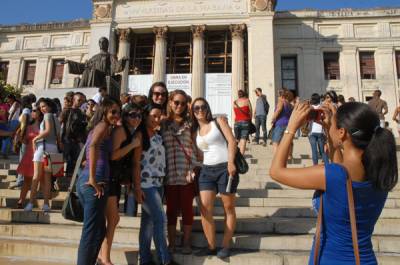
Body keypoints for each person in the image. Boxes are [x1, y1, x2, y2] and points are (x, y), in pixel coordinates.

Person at [270, 101, 398, 265]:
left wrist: (291, 127)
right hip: (364, 259)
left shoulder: (332, 175)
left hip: (332, 259)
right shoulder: (380, 172)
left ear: (343, 133)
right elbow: (341, 169)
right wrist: (332, 130)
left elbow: (276, 172)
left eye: (335, 126)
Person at [191, 98, 238, 259]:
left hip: (225, 167)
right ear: (193, 111)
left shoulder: (218, 122)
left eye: (203, 107)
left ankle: (225, 245)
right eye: (196, 108)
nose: (200, 110)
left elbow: (232, 141)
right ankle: (211, 245)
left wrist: (231, 162)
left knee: (228, 208)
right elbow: (199, 154)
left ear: (208, 108)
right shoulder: (194, 131)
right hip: (206, 170)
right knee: (204, 208)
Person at [134, 103, 179, 265]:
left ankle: (144, 259)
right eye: (153, 115)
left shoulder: (158, 135)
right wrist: (137, 187)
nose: (157, 118)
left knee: (147, 223)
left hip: (159, 184)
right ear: (146, 116)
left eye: (159, 116)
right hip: (146, 185)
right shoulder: (139, 135)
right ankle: (164, 259)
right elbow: (135, 164)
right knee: (160, 220)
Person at [76, 98, 120, 265]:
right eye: (113, 112)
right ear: (104, 112)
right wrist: (93, 178)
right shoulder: (102, 126)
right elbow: (93, 147)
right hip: (95, 182)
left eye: (118, 111)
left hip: (88, 180)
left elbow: (89, 152)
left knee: (99, 229)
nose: (116, 115)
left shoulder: (99, 127)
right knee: (91, 232)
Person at [97, 103, 142, 265]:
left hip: (115, 179)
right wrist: (133, 145)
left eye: (138, 115)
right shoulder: (121, 131)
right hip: (109, 178)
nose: (135, 118)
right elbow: (114, 155)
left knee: (112, 219)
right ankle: (104, 258)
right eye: (132, 115)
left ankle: (103, 257)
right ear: (125, 116)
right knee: (112, 218)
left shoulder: (131, 132)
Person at [161, 90, 200, 254]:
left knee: (187, 209)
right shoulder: (162, 123)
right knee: (171, 210)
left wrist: (195, 167)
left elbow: (196, 148)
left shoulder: (191, 124)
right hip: (169, 174)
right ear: (170, 102)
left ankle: (186, 242)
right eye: (176, 102)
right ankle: (171, 243)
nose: (179, 106)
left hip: (186, 173)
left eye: (183, 103)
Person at [25, 98, 61, 212]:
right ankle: (46, 204)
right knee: (47, 179)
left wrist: (35, 138)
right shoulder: (56, 118)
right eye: (41, 107)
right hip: (53, 149)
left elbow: (47, 130)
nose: (42, 109)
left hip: (43, 148)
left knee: (36, 177)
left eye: (44, 106)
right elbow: (58, 137)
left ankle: (31, 203)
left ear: (49, 106)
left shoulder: (47, 116)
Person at [16, 104, 42, 208]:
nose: (32, 112)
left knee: (39, 180)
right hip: (29, 154)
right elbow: (25, 141)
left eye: (35, 110)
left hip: (40, 155)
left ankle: (34, 201)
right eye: (32, 111)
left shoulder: (43, 125)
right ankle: (21, 200)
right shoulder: (28, 126)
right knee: (26, 180)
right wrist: (19, 137)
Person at [60, 92, 88, 178]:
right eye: (79, 100)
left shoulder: (82, 113)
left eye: (83, 101)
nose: (81, 102)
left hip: (76, 141)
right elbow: (59, 123)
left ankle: (70, 181)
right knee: (62, 160)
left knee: (74, 161)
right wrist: (59, 139)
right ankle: (57, 180)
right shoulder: (67, 110)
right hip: (66, 139)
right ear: (73, 100)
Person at [9, 95, 33, 190]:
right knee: (24, 160)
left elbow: (24, 124)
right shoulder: (29, 110)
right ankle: (21, 180)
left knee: (22, 160)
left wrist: (20, 138)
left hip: (24, 138)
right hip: (26, 137)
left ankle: (20, 182)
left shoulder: (26, 110)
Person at [308, 93, 329, 165]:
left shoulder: (310, 108)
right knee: (322, 151)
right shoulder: (322, 108)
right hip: (320, 131)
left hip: (312, 131)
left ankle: (315, 167)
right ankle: (327, 166)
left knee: (314, 151)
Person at [271, 89, 293, 154]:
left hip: (280, 124)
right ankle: (289, 156)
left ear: (281, 95)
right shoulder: (289, 103)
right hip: (287, 124)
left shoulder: (281, 101)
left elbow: (279, 110)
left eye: (278, 95)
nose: (278, 97)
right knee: (287, 142)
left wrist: (273, 118)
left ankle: (276, 158)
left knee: (275, 142)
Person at [233, 90, 252, 155]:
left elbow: (235, 113)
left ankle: (233, 154)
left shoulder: (235, 102)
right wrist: (250, 120)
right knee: (243, 140)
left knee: (236, 139)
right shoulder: (247, 100)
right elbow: (251, 111)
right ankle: (241, 156)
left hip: (237, 122)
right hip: (245, 122)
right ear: (244, 94)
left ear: (238, 95)